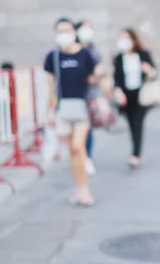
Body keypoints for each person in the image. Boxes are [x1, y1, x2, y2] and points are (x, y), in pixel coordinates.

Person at [44, 17, 96, 206]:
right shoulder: (54, 57)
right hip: (63, 108)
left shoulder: (85, 54)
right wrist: (49, 110)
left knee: (77, 146)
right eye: (59, 31)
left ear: (74, 32)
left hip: (82, 107)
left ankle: (85, 190)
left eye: (66, 30)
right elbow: (51, 85)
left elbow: (93, 78)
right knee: (73, 152)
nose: (63, 35)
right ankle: (80, 189)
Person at [113, 28, 157, 168]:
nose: (124, 41)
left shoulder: (143, 55)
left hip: (140, 95)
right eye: (121, 38)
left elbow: (154, 74)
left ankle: (136, 153)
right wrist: (117, 90)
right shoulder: (119, 58)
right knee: (131, 124)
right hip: (125, 96)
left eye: (126, 38)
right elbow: (116, 77)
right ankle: (135, 150)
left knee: (137, 123)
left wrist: (148, 70)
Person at [75, 20, 103, 176]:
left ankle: (87, 157)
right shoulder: (71, 50)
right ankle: (81, 156)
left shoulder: (94, 51)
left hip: (90, 94)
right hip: (74, 96)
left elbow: (98, 72)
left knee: (88, 128)